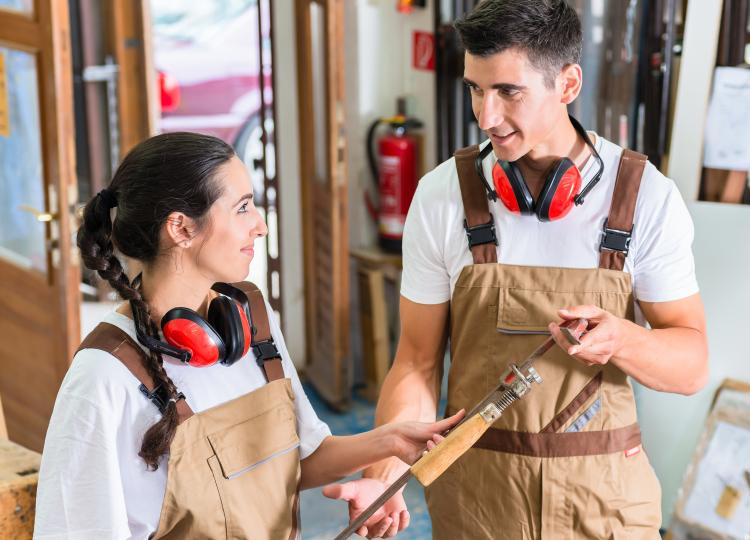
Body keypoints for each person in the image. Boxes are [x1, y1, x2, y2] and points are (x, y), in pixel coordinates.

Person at [324, 1, 710, 538]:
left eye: (509, 91)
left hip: (605, 509)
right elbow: (415, 363)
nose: (486, 116)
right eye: (476, 90)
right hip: (479, 503)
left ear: (568, 83)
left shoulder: (644, 198)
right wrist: (381, 478)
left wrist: (623, 340)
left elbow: (690, 365)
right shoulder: (442, 197)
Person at [34, 132, 462, 539]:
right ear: (181, 228)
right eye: (242, 208)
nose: (260, 225)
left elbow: (300, 458)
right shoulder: (102, 377)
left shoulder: (251, 317)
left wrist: (387, 441)